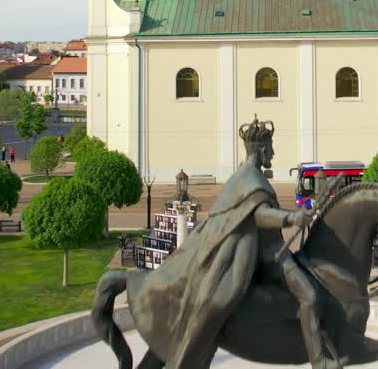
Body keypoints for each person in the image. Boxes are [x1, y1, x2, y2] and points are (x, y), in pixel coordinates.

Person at [138, 117, 340, 369]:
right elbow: (260, 214)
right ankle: (320, 362)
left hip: (271, 249)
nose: (274, 153)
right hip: (269, 255)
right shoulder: (249, 179)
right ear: (263, 149)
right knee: (309, 295)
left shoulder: (247, 176)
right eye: (272, 148)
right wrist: (293, 217)